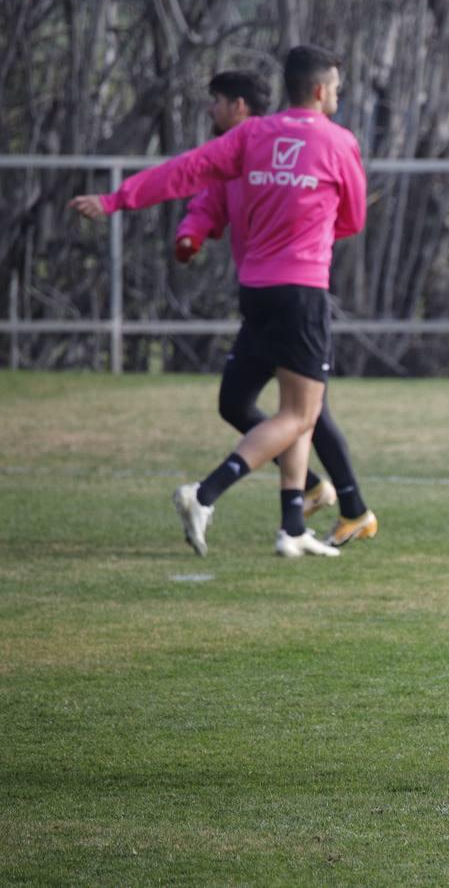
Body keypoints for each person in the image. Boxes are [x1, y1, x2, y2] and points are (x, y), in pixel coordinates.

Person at [70, 45, 370, 558]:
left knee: (290, 407)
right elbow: (354, 220)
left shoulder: (252, 135)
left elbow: (183, 173)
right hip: (302, 291)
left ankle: (293, 527)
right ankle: (204, 494)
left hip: (256, 290)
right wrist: (316, 231)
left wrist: (116, 200)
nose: (337, 95)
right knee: (301, 414)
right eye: (337, 88)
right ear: (320, 91)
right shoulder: (338, 142)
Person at [174, 69, 378, 549]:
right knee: (273, 408)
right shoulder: (243, 153)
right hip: (266, 296)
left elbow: (340, 213)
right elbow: (210, 201)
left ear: (239, 106)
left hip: (286, 292)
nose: (211, 110)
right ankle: (305, 513)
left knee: (305, 412)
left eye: (217, 101)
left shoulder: (262, 150)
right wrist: (193, 231)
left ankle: (310, 513)